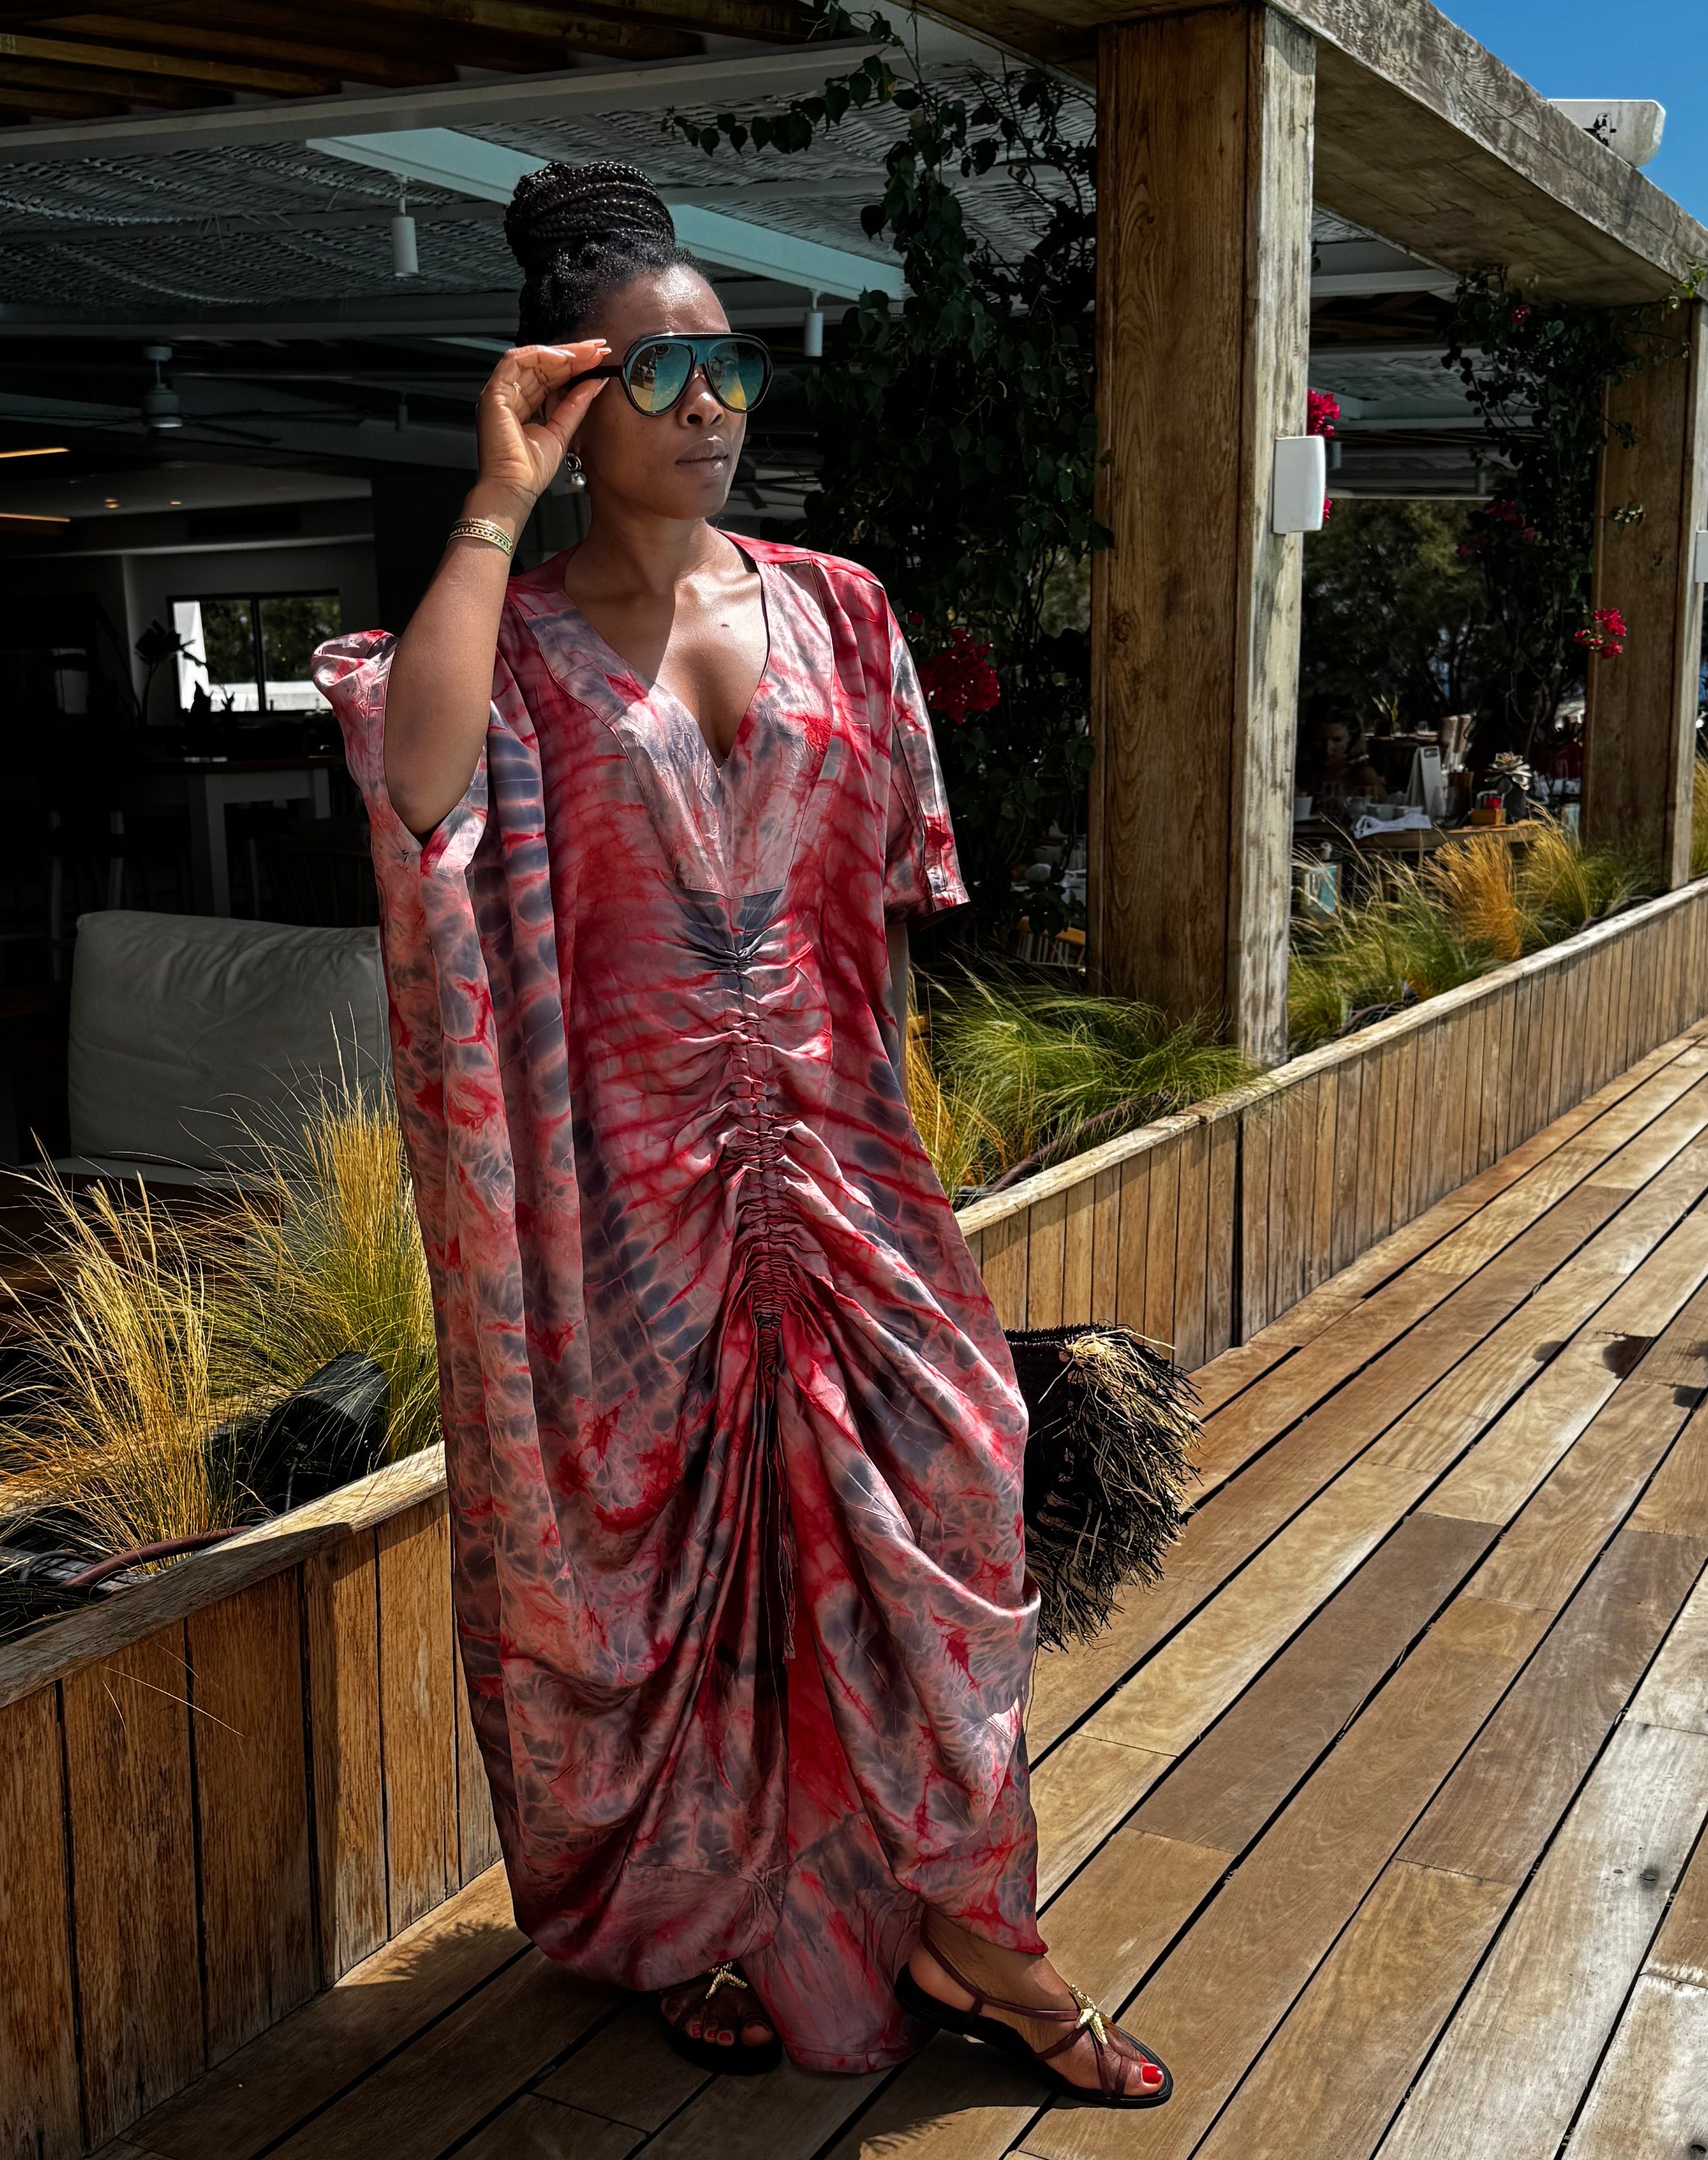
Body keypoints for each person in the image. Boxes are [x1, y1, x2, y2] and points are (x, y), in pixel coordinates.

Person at [313, 160, 1168, 2105]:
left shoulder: (841, 613)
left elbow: (885, 912)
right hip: (625, 1200)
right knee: (666, 1581)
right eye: (659, 372)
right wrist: (492, 499)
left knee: (945, 1503)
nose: (709, 405)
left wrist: (906, 1151)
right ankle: (704, 1919)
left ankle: (971, 1924)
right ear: (569, 395)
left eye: (730, 368)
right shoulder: (516, 637)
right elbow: (418, 787)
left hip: (845, 1164)